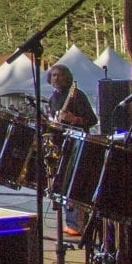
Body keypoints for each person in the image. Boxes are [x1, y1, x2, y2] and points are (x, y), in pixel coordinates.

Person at [47, 63, 98, 236]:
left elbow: (92, 120)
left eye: (60, 75)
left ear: (67, 77)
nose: (56, 78)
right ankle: (70, 221)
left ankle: (76, 224)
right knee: (62, 183)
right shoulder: (53, 98)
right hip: (62, 144)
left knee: (75, 183)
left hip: (78, 145)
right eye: (53, 75)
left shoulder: (77, 95)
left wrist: (74, 119)